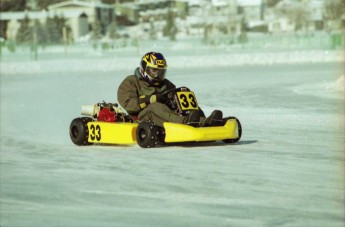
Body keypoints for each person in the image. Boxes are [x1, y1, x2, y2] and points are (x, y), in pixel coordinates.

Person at [117, 52, 223, 127]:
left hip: (164, 115)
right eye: (154, 71)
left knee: (182, 101)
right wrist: (150, 99)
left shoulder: (166, 84)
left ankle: (205, 122)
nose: (158, 75)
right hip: (141, 117)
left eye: (161, 72)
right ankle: (185, 122)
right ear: (145, 69)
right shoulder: (131, 81)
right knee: (156, 106)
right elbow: (128, 104)